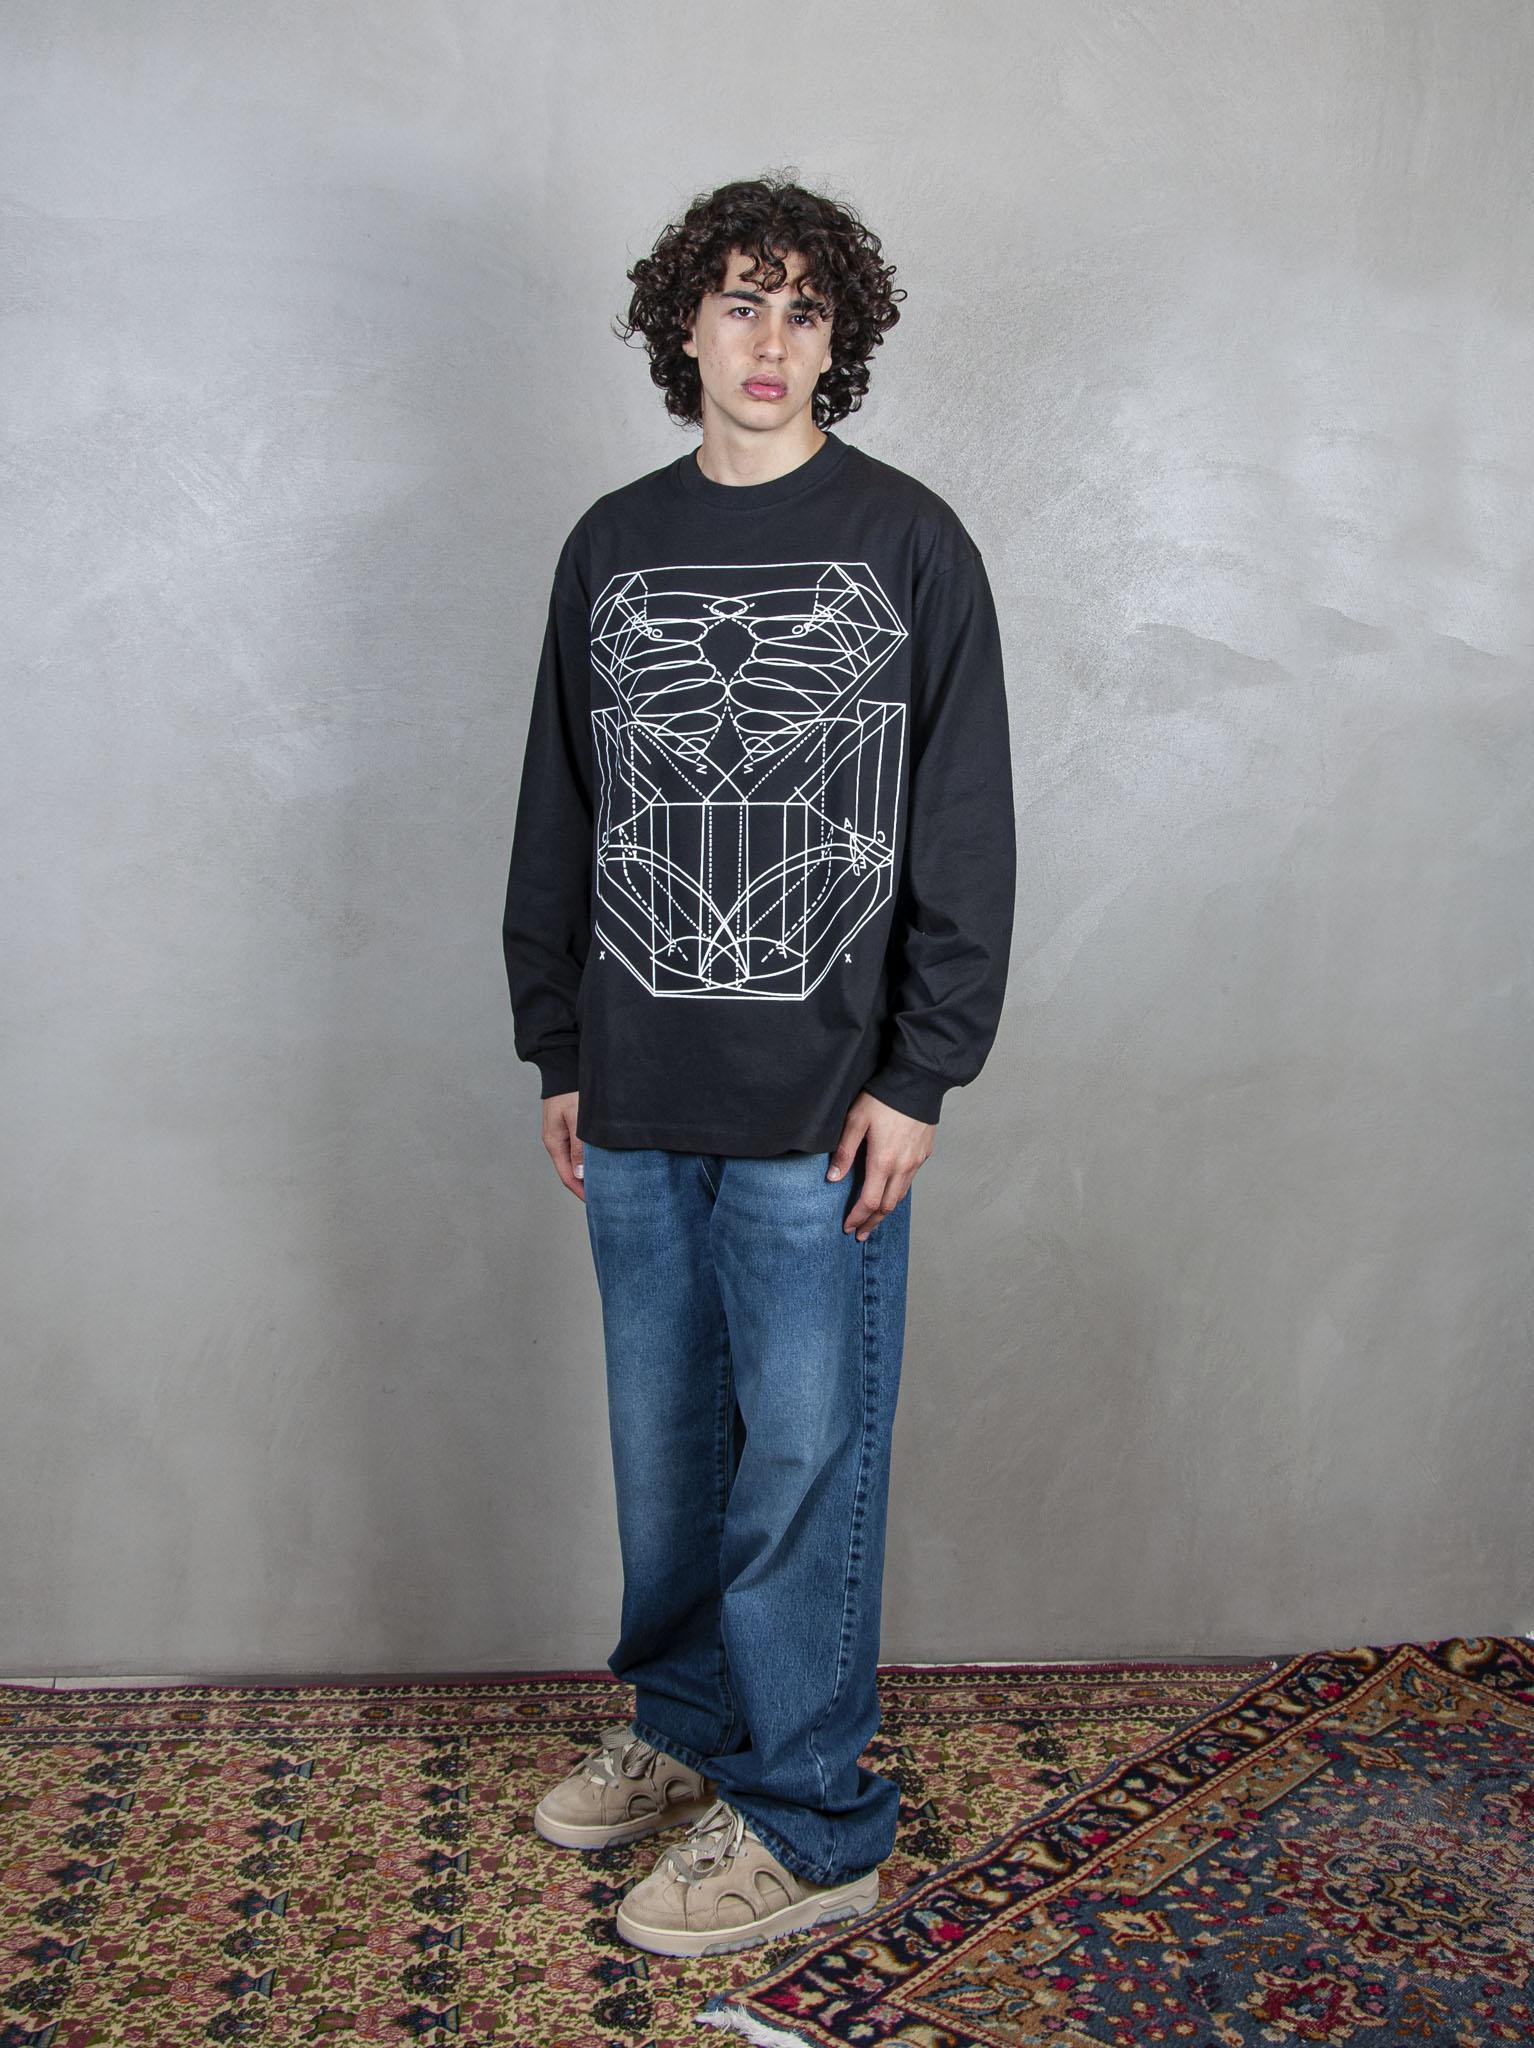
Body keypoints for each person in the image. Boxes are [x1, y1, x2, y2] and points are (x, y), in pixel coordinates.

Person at [502, 173, 1016, 1959]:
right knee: (663, 1453)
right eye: (740, 301)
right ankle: (685, 1727)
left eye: (804, 308)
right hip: (637, 1087)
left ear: (838, 338)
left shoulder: (908, 542)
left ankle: (808, 1817)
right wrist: (557, 1041)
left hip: (823, 1111)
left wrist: (921, 1076)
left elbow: (964, 830)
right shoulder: (611, 545)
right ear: (684, 328)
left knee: (799, 1466)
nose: (770, 339)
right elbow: (561, 809)